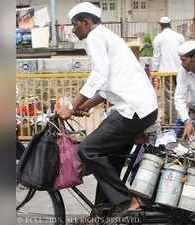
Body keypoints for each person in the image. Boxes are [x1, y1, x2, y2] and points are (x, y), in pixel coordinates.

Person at [56, 2, 158, 216]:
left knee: (87, 150)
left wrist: (71, 106)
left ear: (86, 22)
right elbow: (106, 87)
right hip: (139, 108)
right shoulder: (106, 36)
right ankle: (101, 214)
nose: (73, 30)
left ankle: (128, 202)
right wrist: (85, 106)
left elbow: (98, 75)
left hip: (133, 109)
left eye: (75, 25)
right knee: (108, 157)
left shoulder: (95, 37)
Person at [152, 16, 185, 123]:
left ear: (160, 26)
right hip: (180, 70)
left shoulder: (158, 38)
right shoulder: (179, 36)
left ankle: (172, 120)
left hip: (166, 71)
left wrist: (155, 71)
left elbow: (157, 57)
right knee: (180, 94)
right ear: (170, 24)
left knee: (169, 96)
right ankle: (181, 118)